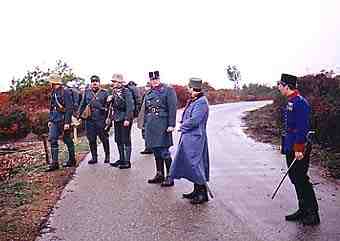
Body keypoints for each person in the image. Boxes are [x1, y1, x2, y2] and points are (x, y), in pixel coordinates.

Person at [277, 73, 320, 225]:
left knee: (302, 179)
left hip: (299, 147)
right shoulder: (291, 101)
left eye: (280, 84)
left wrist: (299, 148)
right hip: (291, 146)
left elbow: (302, 128)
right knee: (295, 179)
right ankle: (303, 210)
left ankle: (313, 213)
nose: (278, 87)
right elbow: (290, 127)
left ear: (287, 86)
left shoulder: (300, 103)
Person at [170, 78, 210, 204]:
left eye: (189, 87)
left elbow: (195, 120)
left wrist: (181, 126)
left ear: (194, 88)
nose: (188, 89)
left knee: (195, 164)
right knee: (190, 164)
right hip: (189, 137)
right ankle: (196, 191)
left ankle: (202, 194)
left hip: (195, 138)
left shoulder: (201, 102)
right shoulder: (195, 100)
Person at [144, 70, 177, 186]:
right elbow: (146, 111)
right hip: (152, 125)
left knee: (164, 152)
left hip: (163, 125)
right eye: (152, 80)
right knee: (156, 152)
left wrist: (171, 124)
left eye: (156, 79)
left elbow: (172, 107)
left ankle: (170, 176)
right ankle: (159, 174)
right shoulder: (148, 93)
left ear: (159, 79)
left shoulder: (168, 90)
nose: (154, 81)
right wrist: (145, 125)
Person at [78, 75, 110, 164]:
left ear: (99, 83)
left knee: (104, 138)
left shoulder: (104, 92)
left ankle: (107, 156)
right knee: (91, 139)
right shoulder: (87, 92)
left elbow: (109, 107)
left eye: (96, 82)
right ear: (91, 83)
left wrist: (108, 120)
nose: (94, 83)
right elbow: (82, 104)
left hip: (101, 119)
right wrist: (79, 116)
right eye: (93, 82)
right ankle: (94, 157)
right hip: (89, 120)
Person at [47, 74, 76, 171]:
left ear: (54, 82)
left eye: (51, 82)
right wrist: (50, 120)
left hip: (63, 120)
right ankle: (55, 163)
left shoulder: (66, 92)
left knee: (67, 139)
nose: (49, 83)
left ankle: (72, 160)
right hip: (55, 120)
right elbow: (51, 107)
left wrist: (67, 122)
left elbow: (69, 108)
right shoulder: (53, 92)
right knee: (52, 139)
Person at [107, 73, 135, 169]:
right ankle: (121, 159)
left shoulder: (126, 92)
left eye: (115, 81)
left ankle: (127, 162)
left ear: (120, 83)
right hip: (117, 118)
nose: (113, 83)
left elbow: (130, 107)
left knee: (126, 139)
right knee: (118, 139)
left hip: (125, 118)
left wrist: (127, 119)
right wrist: (110, 100)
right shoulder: (114, 92)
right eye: (113, 81)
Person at [137, 82, 153, 154]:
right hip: (144, 115)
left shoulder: (151, 94)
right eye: (146, 86)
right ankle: (148, 147)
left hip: (148, 116)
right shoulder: (145, 94)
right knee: (145, 132)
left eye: (148, 86)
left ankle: (149, 148)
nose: (146, 88)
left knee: (148, 132)